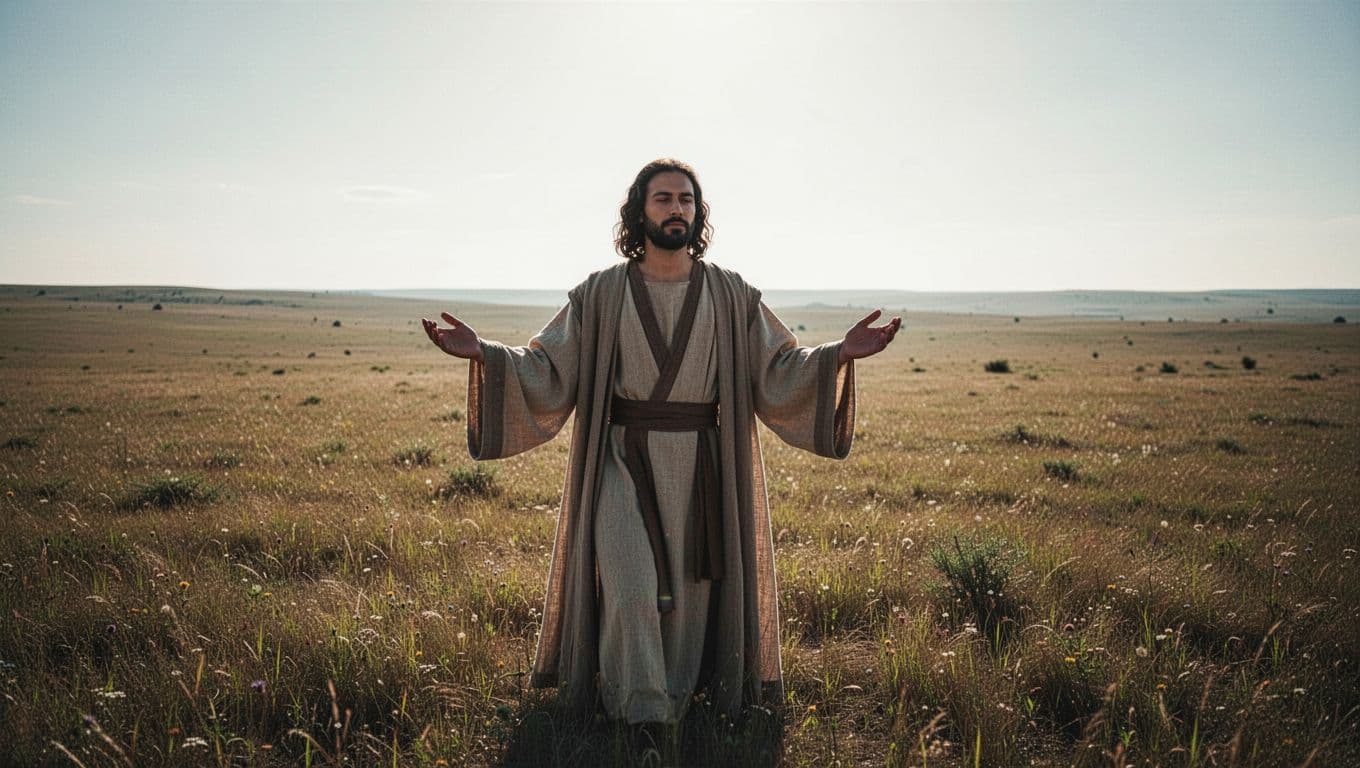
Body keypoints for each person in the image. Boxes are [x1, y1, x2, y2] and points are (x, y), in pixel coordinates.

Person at [422, 159, 900, 729]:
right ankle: (643, 714)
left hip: (702, 466)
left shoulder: (732, 294)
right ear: (638, 211)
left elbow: (778, 370)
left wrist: (839, 355)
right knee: (629, 588)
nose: (677, 209)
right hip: (622, 461)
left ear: (698, 213)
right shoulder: (600, 293)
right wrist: (486, 354)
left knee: (691, 601)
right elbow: (549, 368)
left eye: (687, 201)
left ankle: (680, 699)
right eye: (663, 199)